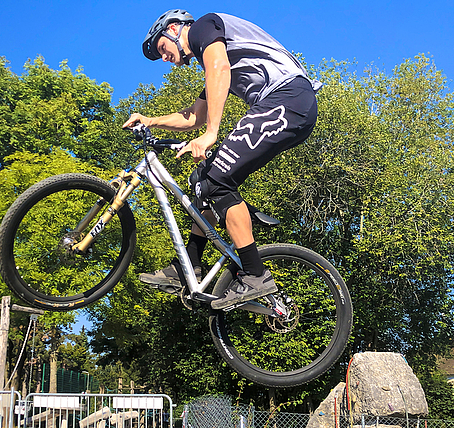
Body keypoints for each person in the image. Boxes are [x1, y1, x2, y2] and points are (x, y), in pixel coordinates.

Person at [122, 9, 320, 309]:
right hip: (283, 105)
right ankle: (188, 264)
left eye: (162, 48)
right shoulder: (218, 54)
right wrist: (150, 120)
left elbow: (218, 68)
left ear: (174, 29)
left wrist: (211, 133)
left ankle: (255, 274)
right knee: (202, 181)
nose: (165, 59)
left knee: (217, 180)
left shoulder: (205, 28)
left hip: (288, 99)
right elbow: (193, 116)